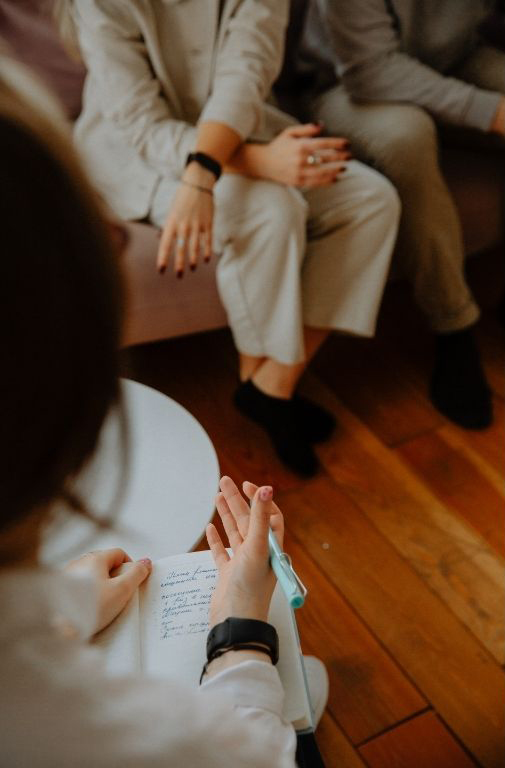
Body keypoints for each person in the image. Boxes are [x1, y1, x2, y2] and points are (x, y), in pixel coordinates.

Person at [0, 58, 329, 767]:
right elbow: (259, 755)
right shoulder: (142, 740)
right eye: (99, 232)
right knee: (302, 704)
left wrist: (61, 610)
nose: (118, 238)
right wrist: (241, 633)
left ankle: (268, 391)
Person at [58, 0, 401, 477]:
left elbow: (247, 70)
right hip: (137, 148)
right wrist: (247, 167)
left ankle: (271, 388)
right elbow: (141, 122)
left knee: (371, 201)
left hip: (237, 127)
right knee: (270, 210)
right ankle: (268, 397)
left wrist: (220, 166)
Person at [292, 0, 505, 430]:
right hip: (345, 82)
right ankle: (453, 329)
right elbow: (371, 70)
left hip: (455, 58)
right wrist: (493, 112)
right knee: (407, 138)